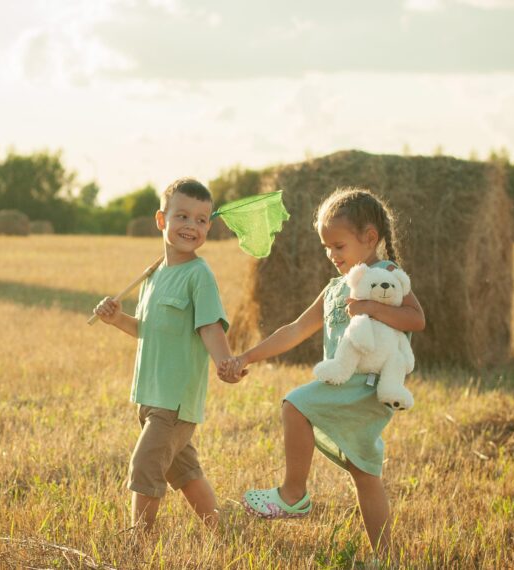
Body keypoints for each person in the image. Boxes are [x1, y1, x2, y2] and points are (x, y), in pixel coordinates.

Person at [219, 187, 426, 560]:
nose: (332, 255)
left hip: (366, 386)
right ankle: (387, 559)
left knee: (295, 405)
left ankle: (292, 494)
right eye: (326, 248)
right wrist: (248, 355)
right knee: (365, 475)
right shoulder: (334, 289)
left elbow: (416, 319)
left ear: (369, 239)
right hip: (348, 385)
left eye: (339, 246)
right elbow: (296, 329)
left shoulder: (387, 275)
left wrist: (368, 307)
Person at [93, 177, 241, 532]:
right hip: (149, 394)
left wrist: (225, 361)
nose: (192, 226)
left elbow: (209, 327)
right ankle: (220, 529)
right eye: (183, 217)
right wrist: (117, 320)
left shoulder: (199, 275)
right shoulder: (153, 274)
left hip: (175, 400)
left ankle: (138, 543)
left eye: (202, 220)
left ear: (209, 226)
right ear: (162, 220)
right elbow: (146, 329)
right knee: (184, 471)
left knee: (145, 465)